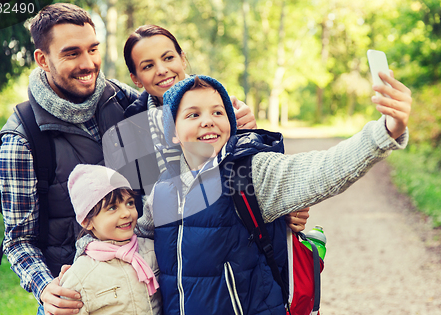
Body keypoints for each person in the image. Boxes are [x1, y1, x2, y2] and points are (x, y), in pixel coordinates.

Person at [0, 3, 255, 315]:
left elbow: (194, 162)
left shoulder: (126, 103)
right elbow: (18, 241)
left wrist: (240, 128)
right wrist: (48, 290)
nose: (88, 64)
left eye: (93, 49)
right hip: (74, 303)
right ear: (42, 59)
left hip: (147, 295)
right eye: (72, 53)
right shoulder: (22, 139)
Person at [130, 73, 411, 315]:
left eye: (218, 112)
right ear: (174, 133)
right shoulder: (161, 193)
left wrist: (386, 132)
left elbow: (322, 170)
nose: (208, 120)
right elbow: (134, 250)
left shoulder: (249, 172)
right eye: (193, 114)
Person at [122, 24, 310, 232]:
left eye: (168, 58)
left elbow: (255, 172)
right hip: (164, 240)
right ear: (136, 79)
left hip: (224, 231)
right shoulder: (132, 125)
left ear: (182, 59)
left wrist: (288, 208)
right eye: (148, 66)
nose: (162, 70)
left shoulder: (221, 104)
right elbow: (138, 201)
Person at [48, 164, 161, 315]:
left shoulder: (151, 250)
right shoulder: (81, 274)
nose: (126, 213)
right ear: (87, 221)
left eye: (129, 203)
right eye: (113, 207)